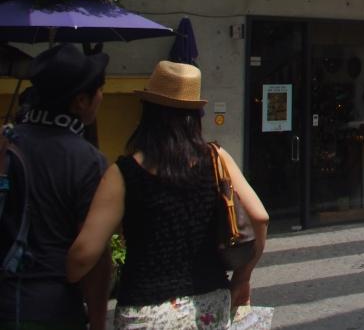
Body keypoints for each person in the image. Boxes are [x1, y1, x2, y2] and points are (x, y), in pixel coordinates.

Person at [68, 61, 269, 329]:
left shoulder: (125, 172)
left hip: (146, 309)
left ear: (148, 113)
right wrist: (242, 278)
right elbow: (260, 217)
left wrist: (58, 278)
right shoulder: (216, 158)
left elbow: (85, 253)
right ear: (196, 115)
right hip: (209, 304)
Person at [0, 44, 111, 330]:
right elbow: (94, 255)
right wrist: (98, 321)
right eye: (99, 90)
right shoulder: (88, 161)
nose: (102, 97)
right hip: (54, 307)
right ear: (81, 101)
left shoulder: (7, 144)